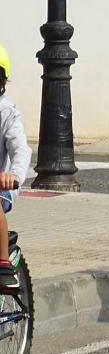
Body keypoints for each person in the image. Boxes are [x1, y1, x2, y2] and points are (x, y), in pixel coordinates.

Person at [0, 44, 31, 292]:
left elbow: (21, 149)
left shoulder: (7, 112)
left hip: (2, 187)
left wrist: (13, 174)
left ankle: (3, 266)